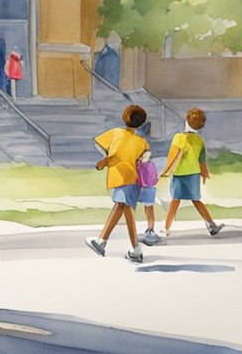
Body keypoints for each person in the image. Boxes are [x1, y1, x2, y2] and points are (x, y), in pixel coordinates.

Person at [86, 105, 150, 263]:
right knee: (121, 207)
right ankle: (102, 241)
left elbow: (100, 145)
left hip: (119, 176)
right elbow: (145, 158)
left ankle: (134, 249)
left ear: (125, 117)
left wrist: (106, 159)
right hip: (132, 178)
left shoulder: (116, 133)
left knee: (126, 210)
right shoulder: (141, 142)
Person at [161, 107, 223, 238]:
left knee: (175, 201)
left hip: (179, 174)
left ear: (186, 120)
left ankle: (167, 228)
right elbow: (202, 160)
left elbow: (173, 156)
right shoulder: (199, 140)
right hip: (194, 174)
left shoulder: (178, 137)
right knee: (196, 200)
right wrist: (204, 173)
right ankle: (211, 224)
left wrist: (166, 170)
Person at [136, 148, 164, 246]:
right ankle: (150, 229)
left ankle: (148, 229)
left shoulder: (138, 165)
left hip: (140, 188)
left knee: (134, 207)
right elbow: (155, 178)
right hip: (150, 188)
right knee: (149, 208)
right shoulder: (151, 164)